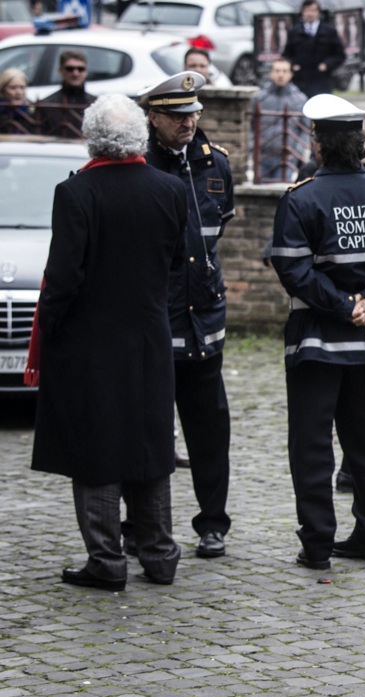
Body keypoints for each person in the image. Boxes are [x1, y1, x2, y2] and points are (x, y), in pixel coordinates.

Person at [31, 94, 187, 591]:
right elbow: (177, 266)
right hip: (149, 333)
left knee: (97, 448)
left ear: (92, 136)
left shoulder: (77, 193)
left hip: (91, 340)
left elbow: (63, 277)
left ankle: (107, 560)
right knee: (149, 443)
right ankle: (160, 556)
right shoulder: (169, 188)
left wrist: (49, 332)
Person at [271, 94, 365, 571]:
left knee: (311, 448)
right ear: (361, 144)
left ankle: (317, 544)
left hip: (315, 342)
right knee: (362, 444)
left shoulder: (301, 196)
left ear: (317, 143)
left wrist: (341, 305)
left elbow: (293, 270)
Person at [136, 71, 236, 560]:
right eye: (177, 115)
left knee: (210, 429)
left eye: (193, 112)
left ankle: (212, 523)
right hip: (158, 319)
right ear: (152, 117)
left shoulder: (215, 165)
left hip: (205, 319)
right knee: (148, 429)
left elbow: (218, 237)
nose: (188, 122)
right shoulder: (138, 167)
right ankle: (143, 525)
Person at [253, 57, 310, 183]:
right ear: (270, 73)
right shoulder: (260, 98)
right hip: (263, 157)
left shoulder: (300, 99)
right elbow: (251, 126)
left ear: (290, 74)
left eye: (284, 71)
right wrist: (252, 148)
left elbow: (306, 129)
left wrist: (297, 151)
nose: (280, 74)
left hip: (287, 158)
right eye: (277, 70)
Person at [283, 0, 347, 97]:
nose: (310, 14)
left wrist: (327, 64)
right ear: (302, 13)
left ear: (318, 13)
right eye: (307, 11)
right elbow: (287, 54)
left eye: (313, 11)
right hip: (300, 78)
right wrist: (293, 65)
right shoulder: (295, 31)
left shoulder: (329, 31)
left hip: (322, 78)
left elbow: (339, 54)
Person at [38, 50, 96, 139]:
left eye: (80, 69)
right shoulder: (47, 105)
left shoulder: (96, 104)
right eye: (70, 69)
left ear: (86, 71)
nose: (75, 73)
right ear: (61, 70)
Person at [0, 68, 32, 134]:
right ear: (3, 90)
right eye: (13, 88)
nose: (19, 92)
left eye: (22, 87)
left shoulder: (32, 111)